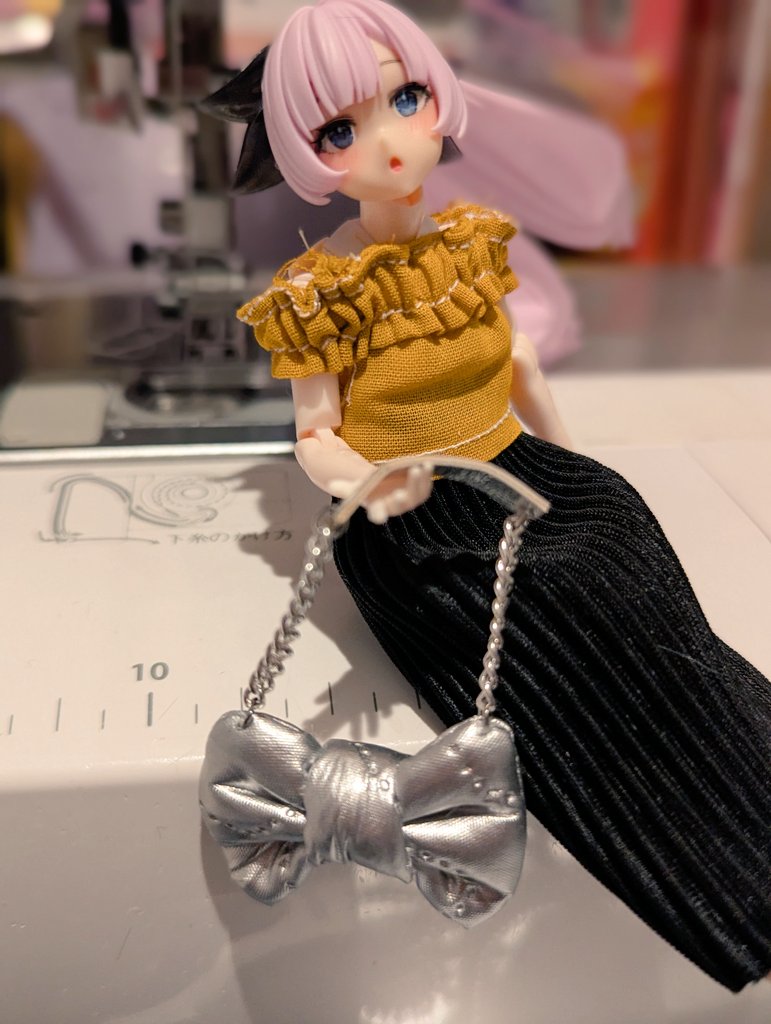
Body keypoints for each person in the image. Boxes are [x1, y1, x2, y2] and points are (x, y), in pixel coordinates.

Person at [204, 0, 771, 992]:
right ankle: (708, 864)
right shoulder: (319, 289)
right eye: (340, 129)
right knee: (562, 606)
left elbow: (517, 364)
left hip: (516, 465)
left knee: (622, 543)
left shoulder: (470, 239)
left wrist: (577, 471)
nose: (389, 142)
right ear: (305, 151)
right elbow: (314, 435)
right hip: (413, 516)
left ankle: (739, 769)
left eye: (406, 99)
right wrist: (368, 484)